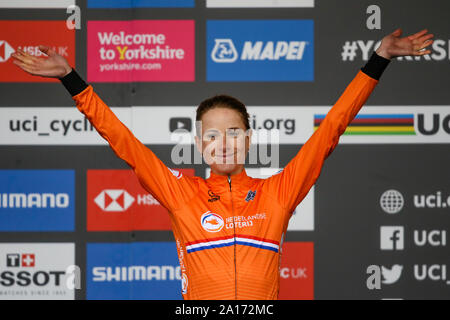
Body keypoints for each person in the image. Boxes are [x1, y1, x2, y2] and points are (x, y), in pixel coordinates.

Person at [12, 28, 433, 300]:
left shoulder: (278, 192)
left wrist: (377, 61)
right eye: (212, 135)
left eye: (233, 132)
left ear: (249, 139)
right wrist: (72, 79)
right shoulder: (181, 193)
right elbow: (122, 140)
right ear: (199, 143)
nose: (224, 143)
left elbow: (331, 129)